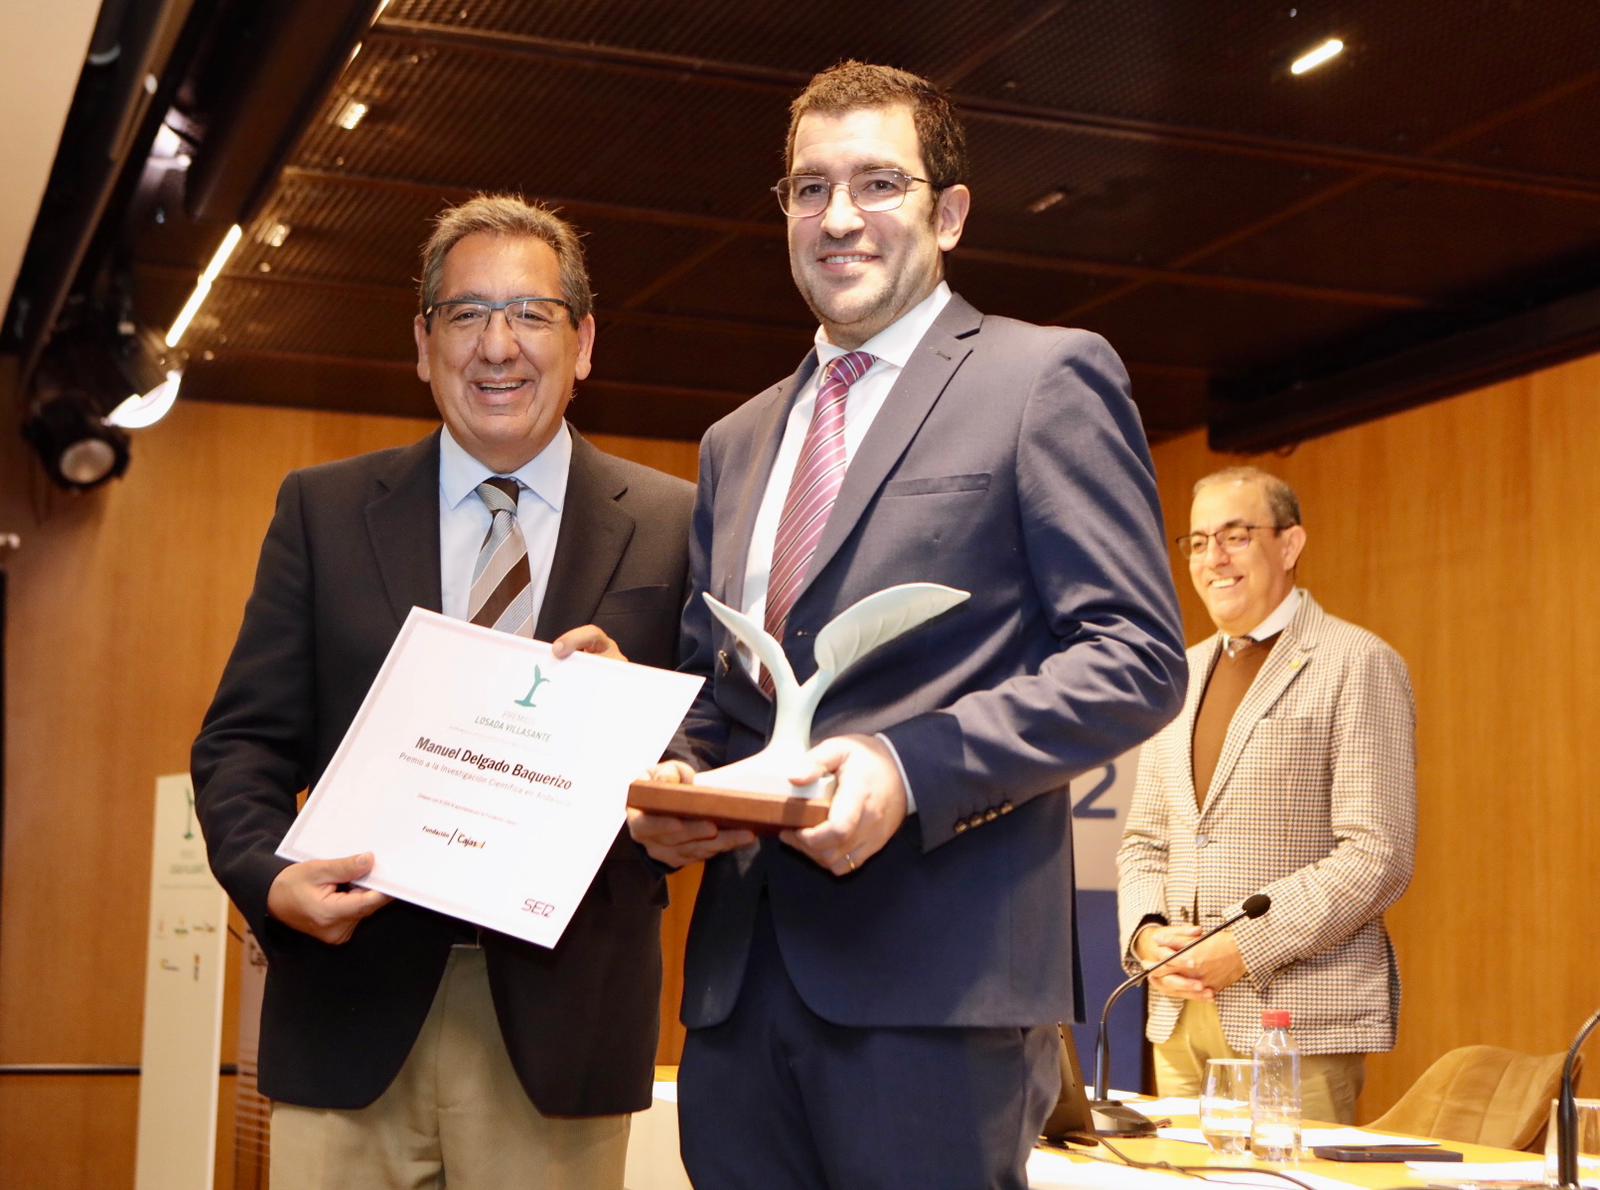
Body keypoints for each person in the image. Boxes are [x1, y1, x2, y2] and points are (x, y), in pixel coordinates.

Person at [627, 61, 1187, 1188]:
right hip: (738, 992)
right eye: (807, 188)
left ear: (951, 212)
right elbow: (714, 683)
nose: (838, 218)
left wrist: (906, 764)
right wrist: (671, 783)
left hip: (939, 996)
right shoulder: (736, 440)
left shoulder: (1044, 378)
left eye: (879, 182)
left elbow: (1134, 656)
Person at [192, 194, 693, 1189]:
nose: (496, 345)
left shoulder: (681, 523)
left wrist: (660, 745)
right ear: (423, 343)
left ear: (584, 340)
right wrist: (267, 877)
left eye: (531, 313)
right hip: (349, 1013)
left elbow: (716, 745)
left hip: (565, 1029)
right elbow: (242, 742)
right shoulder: (322, 511)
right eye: (465, 314)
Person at [1116, 465, 1417, 1124]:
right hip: (1180, 1019)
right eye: (1197, 542)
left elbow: (1377, 856)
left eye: (1234, 535)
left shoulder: (1357, 663)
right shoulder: (1176, 675)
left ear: (1289, 545)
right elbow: (1146, 842)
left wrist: (1241, 948)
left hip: (1298, 1022)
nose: (1213, 559)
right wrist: (1146, 939)